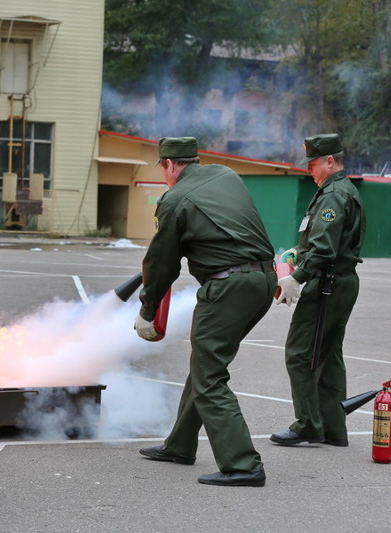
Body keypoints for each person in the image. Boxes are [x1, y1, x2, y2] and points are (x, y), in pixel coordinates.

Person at [135, 137, 277, 487]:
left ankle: (243, 464)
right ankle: (180, 445)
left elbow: (161, 264)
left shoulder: (174, 199)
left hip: (227, 287)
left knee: (210, 375)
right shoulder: (226, 175)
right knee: (205, 364)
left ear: (169, 165)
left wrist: (147, 310)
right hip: (263, 280)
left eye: (163, 170)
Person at [271, 133, 365, 447]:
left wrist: (296, 278)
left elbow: (324, 249)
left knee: (300, 354)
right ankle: (334, 428)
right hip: (339, 281)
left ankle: (309, 424)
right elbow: (323, 244)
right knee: (328, 355)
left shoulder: (334, 195)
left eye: (313, 163)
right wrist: (300, 256)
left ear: (329, 161)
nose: (309, 169)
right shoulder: (339, 191)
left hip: (327, 283)